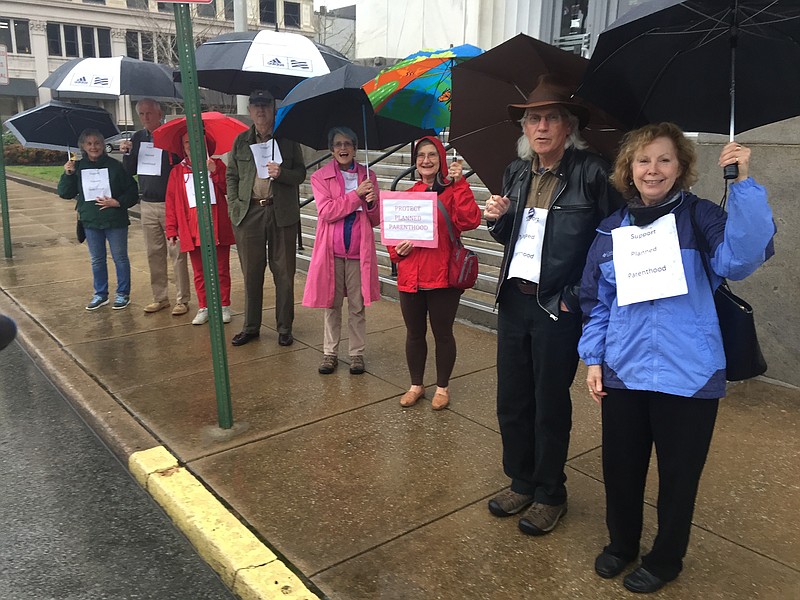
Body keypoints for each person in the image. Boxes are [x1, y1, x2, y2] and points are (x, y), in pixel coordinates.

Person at [578, 122, 775, 593]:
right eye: (643, 160)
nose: (653, 169)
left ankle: (666, 558)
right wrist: (593, 359)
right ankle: (621, 544)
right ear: (628, 169)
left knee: (678, 476)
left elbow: (742, 260)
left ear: (681, 167)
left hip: (688, 374)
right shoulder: (612, 229)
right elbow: (598, 300)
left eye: (665, 159)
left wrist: (743, 184)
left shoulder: (702, 217)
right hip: (624, 370)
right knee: (620, 470)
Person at [483, 75, 620, 535]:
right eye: (532, 118)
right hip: (515, 299)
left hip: (557, 307)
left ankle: (550, 493)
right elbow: (518, 239)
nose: (540, 127)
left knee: (548, 403)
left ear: (568, 126)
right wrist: (498, 221)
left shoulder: (593, 173)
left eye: (550, 118)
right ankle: (521, 480)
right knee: (512, 399)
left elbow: (610, 245)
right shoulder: (516, 172)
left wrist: (575, 298)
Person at [388, 136, 481, 410]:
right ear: (415, 162)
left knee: (443, 334)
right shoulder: (406, 195)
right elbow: (393, 240)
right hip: (411, 277)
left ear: (441, 159)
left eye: (431, 155)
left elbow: (470, 220)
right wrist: (398, 252)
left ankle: (442, 387)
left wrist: (461, 183)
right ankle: (416, 384)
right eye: (420, 156)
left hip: (442, 276)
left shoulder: (453, 191)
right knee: (414, 334)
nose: (425, 161)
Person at [226, 89, 307, 347]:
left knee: (283, 271)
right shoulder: (241, 141)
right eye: (256, 106)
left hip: (281, 212)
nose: (260, 111)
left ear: (274, 109)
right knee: (251, 272)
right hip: (249, 213)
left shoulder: (288, 140)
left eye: (265, 106)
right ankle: (251, 326)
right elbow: (232, 175)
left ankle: (284, 327)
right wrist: (235, 204)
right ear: (250, 111)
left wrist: (282, 173)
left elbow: (301, 174)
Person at [303, 126, 380, 375]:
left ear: (356, 148)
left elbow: (375, 218)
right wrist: (357, 196)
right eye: (338, 144)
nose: (343, 148)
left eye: (348, 143)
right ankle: (330, 353)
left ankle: (357, 354)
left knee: (357, 305)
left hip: (359, 251)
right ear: (331, 149)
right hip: (332, 251)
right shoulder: (320, 177)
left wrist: (371, 204)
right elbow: (327, 212)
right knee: (331, 304)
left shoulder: (369, 176)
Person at [120, 98, 191, 316]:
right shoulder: (138, 138)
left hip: (171, 203)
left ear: (159, 114)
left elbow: (182, 161)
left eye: (149, 113)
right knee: (154, 253)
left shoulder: (170, 135)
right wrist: (126, 152)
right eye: (141, 114)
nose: (145, 118)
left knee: (177, 253)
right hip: (148, 203)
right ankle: (160, 297)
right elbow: (129, 170)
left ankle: (183, 299)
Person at [59, 129, 139, 311]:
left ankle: (123, 294)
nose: (93, 147)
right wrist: (68, 175)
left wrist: (118, 202)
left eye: (97, 143)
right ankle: (100, 294)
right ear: (83, 147)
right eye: (89, 143)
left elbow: (132, 191)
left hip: (114, 220)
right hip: (91, 221)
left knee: (120, 258)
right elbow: (65, 193)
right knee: (97, 259)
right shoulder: (77, 167)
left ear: (104, 146)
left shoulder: (115, 166)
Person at [165, 132, 235, 326]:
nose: (191, 146)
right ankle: (204, 306)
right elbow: (171, 203)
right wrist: (171, 229)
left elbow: (230, 189)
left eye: (196, 142)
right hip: (192, 230)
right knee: (200, 272)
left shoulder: (217, 164)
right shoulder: (177, 172)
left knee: (221, 269)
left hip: (216, 228)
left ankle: (223, 305)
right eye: (187, 143)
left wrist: (215, 172)